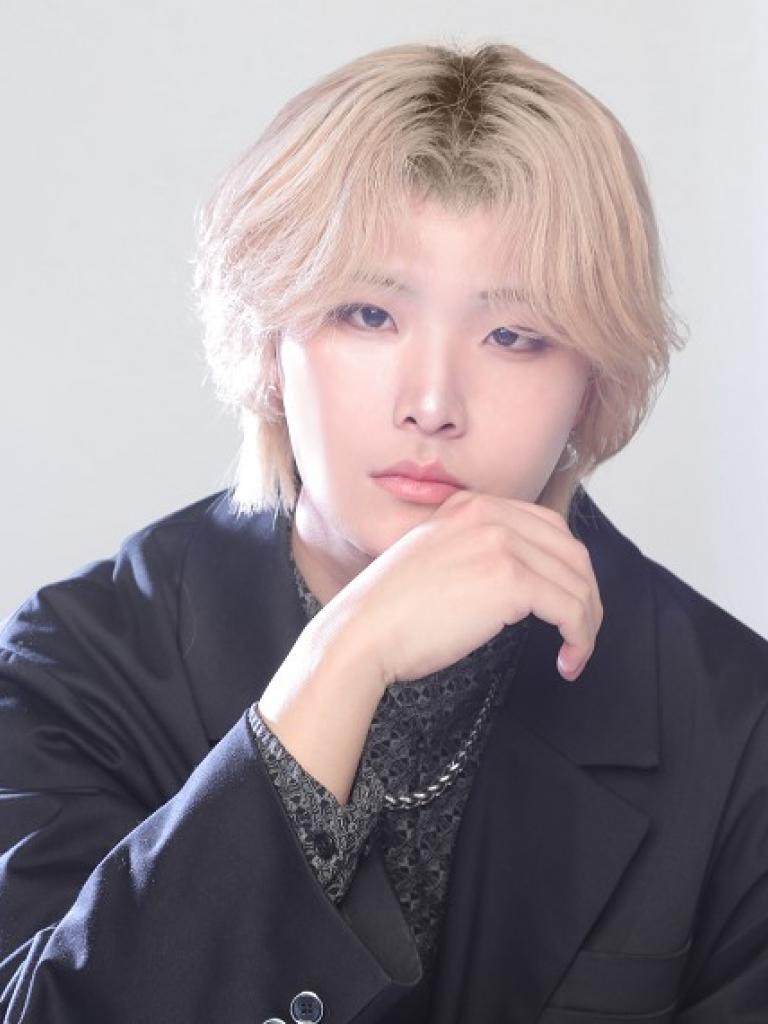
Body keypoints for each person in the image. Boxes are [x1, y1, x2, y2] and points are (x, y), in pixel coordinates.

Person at [1, 39, 767, 1024]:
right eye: (368, 314)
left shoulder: (735, 724)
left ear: (592, 383)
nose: (432, 403)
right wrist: (347, 657)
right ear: (270, 342)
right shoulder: (72, 668)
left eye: (514, 336)